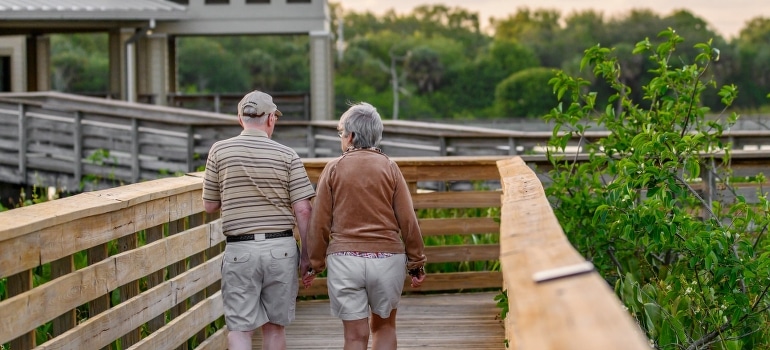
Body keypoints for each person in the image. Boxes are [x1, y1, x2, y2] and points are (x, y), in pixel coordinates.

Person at [303, 102, 427, 350]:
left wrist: (314, 264)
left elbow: (320, 222)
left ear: (350, 136)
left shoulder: (333, 169)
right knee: (384, 327)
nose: (341, 138)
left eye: (341, 134)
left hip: (345, 260)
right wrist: (416, 263)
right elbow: (408, 220)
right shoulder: (390, 167)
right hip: (387, 259)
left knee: (354, 336)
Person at [202, 90, 315, 350]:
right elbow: (304, 210)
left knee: (240, 329)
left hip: (240, 250)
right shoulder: (288, 155)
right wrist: (307, 256)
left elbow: (209, 205)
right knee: (274, 328)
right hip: (281, 250)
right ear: (271, 119)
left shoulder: (219, 151)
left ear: (240, 119)